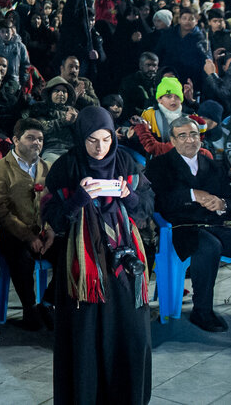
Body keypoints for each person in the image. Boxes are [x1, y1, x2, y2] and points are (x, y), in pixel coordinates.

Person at [41, 106, 153, 404]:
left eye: (105, 139)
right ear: (81, 137)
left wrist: (128, 195)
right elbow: (52, 217)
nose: (100, 147)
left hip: (124, 259)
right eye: (92, 140)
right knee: (86, 334)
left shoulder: (126, 161)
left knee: (131, 331)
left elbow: (147, 207)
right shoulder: (66, 167)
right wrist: (78, 199)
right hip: (83, 266)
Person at [146, 116, 231, 333]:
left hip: (215, 225)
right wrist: (192, 195)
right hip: (182, 229)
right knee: (210, 247)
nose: (190, 140)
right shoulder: (159, 165)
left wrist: (222, 203)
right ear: (171, 139)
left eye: (193, 134)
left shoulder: (213, 165)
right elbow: (158, 203)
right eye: (182, 136)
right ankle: (202, 311)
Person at [0, 116, 55, 331]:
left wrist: (50, 231)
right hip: (14, 233)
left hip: (43, 232)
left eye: (40, 139)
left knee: (70, 254)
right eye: (30, 138)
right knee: (20, 257)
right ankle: (29, 308)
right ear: (16, 140)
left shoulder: (48, 168)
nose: (36, 143)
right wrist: (28, 236)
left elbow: (55, 204)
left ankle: (47, 303)